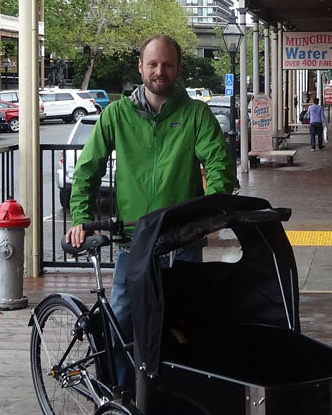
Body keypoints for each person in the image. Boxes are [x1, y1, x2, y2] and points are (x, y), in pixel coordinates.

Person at [66, 34, 237, 386]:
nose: (160, 71)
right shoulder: (116, 115)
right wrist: (81, 217)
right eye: (153, 64)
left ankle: (178, 399)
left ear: (178, 69)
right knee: (123, 321)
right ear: (141, 67)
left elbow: (219, 162)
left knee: (185, 326)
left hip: (182, 241)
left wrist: (214, 207)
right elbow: (88, 169)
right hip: (134, 244)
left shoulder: (195, 115)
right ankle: (122, 397)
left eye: (168, 64)